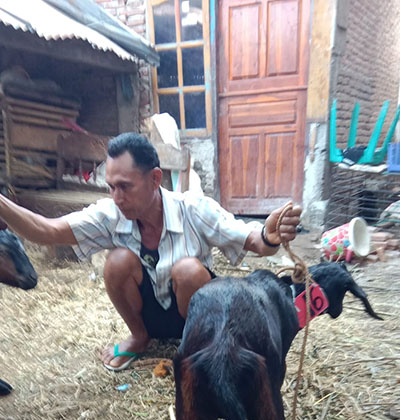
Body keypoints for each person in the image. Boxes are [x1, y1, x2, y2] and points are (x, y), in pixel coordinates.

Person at [0, 132, 302, 371]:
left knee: (188, 270)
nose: (116, 197)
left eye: (125, 186)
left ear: (155, 179)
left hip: (196, 315)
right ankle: (140, 337)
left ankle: (200, 347)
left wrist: (269, 235)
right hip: (152, 315)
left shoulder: (193, 209)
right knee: (116, 261)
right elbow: (46, 231)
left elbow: (254, 240)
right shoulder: (111, 214)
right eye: (111, 187)